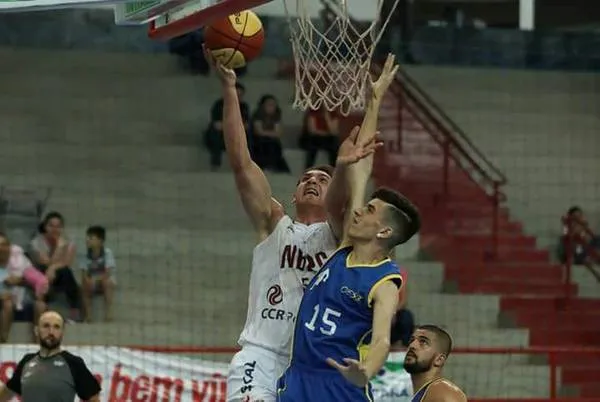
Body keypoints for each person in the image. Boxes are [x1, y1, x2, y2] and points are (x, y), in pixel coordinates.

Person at [205, 46, 400, 402]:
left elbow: (357, 172)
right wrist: (230, 90)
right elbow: (241, 162)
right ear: (293, 195)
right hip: (260, 356)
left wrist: (372, 106)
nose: (312, 181)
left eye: (321, 180)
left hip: (310, 365)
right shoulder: (273, 223)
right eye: (305, 178)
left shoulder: (342, 236)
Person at [276, 66, 418, 401]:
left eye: (370, 210)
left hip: (339, 387)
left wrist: (366, 371)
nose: (360, 210)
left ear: (383, 230)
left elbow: (382, 339)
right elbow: (361, 167)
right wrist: (374, 102)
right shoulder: (345, 248)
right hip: (298, 378)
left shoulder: (385, 282)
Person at [0, 310, 101, 402]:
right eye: (46, 326)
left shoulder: (73, 363)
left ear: (62, 333)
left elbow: (94, 398)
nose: (51, 332)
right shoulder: (27, 361)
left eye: (56, 327)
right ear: (36, 330)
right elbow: (6, 394)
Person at [29, 212, 82, 321]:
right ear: (45, 226)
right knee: (44, 271)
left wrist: (53, 267)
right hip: (42, 274)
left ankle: (75, 310)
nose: (55, 229)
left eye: (58, 226)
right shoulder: (36, 243)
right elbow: (45, 262)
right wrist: (59, 248)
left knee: (66, 271)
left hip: (61, 276)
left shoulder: (69, 242)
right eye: (51, 226)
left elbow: (67, 263)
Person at [403, 325, 467, 402]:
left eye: (423, 342)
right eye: (411, 340)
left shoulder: (445, 394)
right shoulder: (417, 392)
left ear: (439, 359)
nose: (412, 345)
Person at [80, 225, 116, 322]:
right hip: (92, 281)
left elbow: (108, 272)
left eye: (91, 238)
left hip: (103, 280)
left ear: (100, 241)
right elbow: (83, 273)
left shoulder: (107, 253)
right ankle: (88, 315)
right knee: (84, 286)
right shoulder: (85, 255)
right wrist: (88, 281)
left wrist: (96, 280)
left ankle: (109, 313)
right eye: (87, 237)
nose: (88, 240)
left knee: (107, 283)